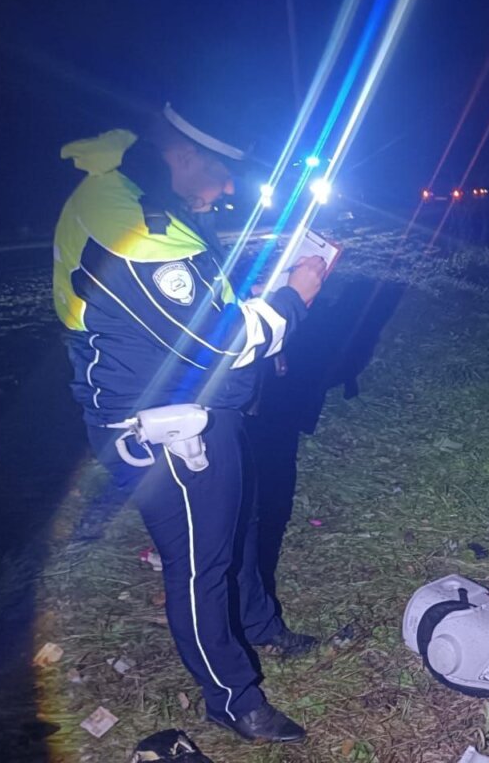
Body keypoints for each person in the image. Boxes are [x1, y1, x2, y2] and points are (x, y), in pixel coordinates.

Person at [52, 104, 326, 744]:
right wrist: (294, 299)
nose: (229, 187)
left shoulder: (143, 198)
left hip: (201, 411)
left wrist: (260, 323)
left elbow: (201, 311)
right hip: (164, 430)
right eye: (224, 171)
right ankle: (232, 699)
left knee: (240, 528)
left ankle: (260, 627)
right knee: (200, 562)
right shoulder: (132, 229)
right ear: (183, 154)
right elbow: (218, 342)